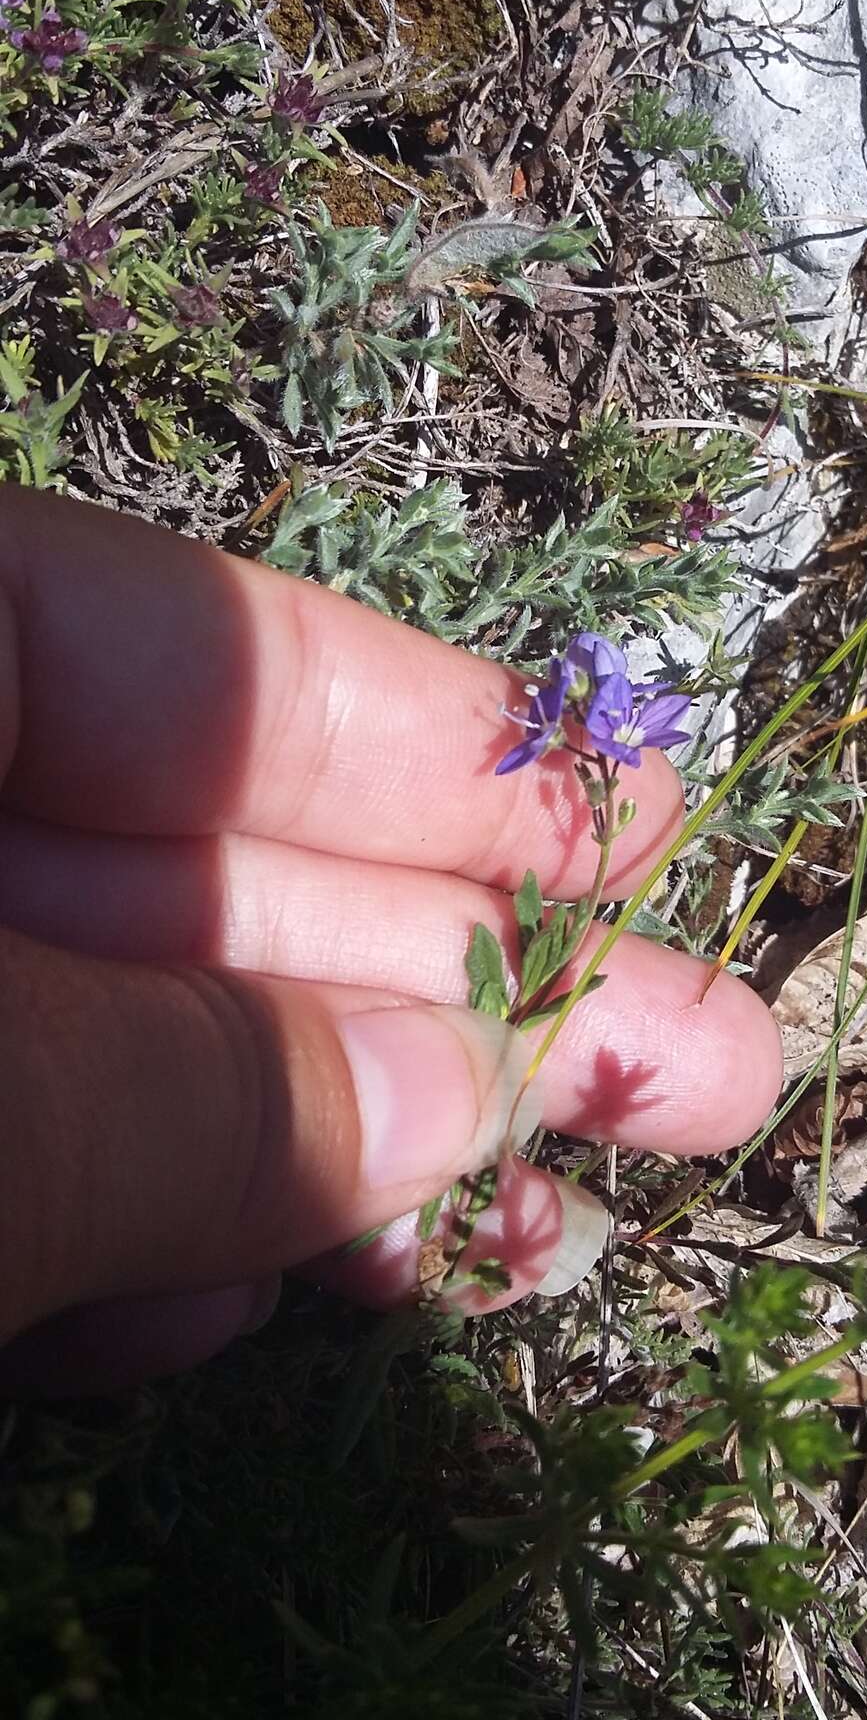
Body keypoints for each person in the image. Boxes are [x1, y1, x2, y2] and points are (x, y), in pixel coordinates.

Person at [0, 487, 782, 1393]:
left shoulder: (605, 764)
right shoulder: (572, 746)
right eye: (610, 726)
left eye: (622, 728)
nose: (617, 733)